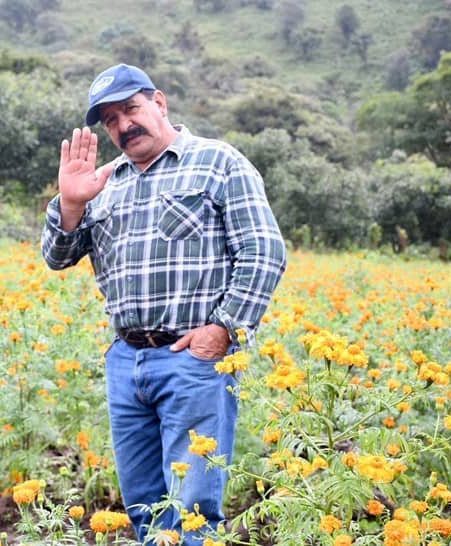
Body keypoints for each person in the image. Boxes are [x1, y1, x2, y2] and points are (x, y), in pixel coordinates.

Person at [41, 63, 286, 544]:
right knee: (145, 509)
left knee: (193, 511)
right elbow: (58, 256)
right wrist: (70, 205)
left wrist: (223, 330)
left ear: (159, 102)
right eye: (110, 120)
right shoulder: (103, 182)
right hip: (126, 361)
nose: (123, 125)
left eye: (130, 109)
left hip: (192, 361)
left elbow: (264, 252)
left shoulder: (219, 162)